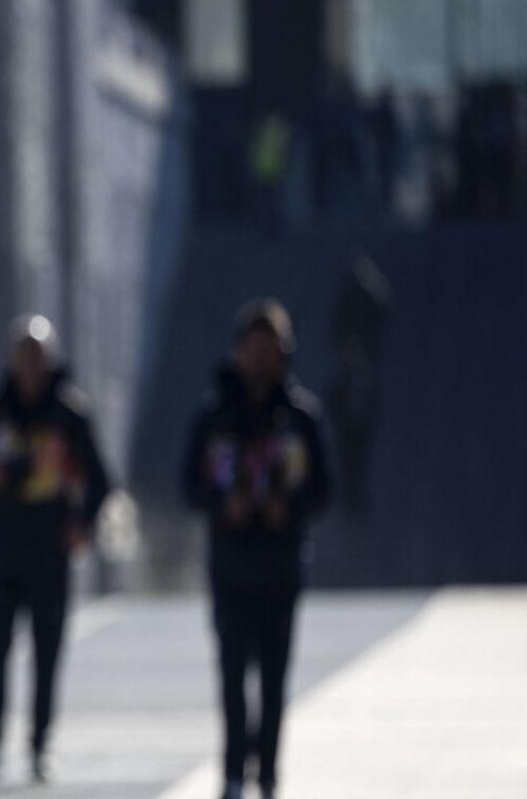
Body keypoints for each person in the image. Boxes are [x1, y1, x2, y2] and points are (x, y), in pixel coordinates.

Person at [182, 299, 331, 799]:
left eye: (274, 350)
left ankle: (267, 772)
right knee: (230, 672)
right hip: (230, 565)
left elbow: (324, 488)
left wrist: (288, 509)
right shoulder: (215, 415)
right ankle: (231, 768)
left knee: (273, 675)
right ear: (239, 350)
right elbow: (189, 485)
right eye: (256, 348)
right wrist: (225, 505)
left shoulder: (300, 416)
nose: (264, 359)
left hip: (281, 565)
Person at [0, 314, 108, 783]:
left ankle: (41, 742)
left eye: (38, 356)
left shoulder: (69, 412)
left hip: (49, 548)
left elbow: (101, 480)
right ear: (12, 359)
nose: (31, 365)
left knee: (47, 647)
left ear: (51, 360)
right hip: (5, 545)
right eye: (24, 355)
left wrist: (83, 524)